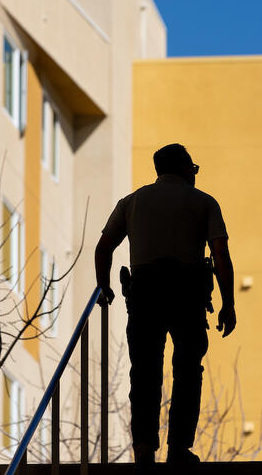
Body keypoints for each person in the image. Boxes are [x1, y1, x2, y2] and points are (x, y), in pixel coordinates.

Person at [94, 143, 236, 468]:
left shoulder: (131, 203)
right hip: (187, 292)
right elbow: (221, 256)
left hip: (144, 292)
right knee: (188, 371)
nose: (195, 174)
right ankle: (178, 450)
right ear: (186, 167)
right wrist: (228, 304)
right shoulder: (204, 203)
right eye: (194, 168)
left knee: (144, 372)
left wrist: (104, 287)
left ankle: (144, 447)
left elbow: (104, 248)